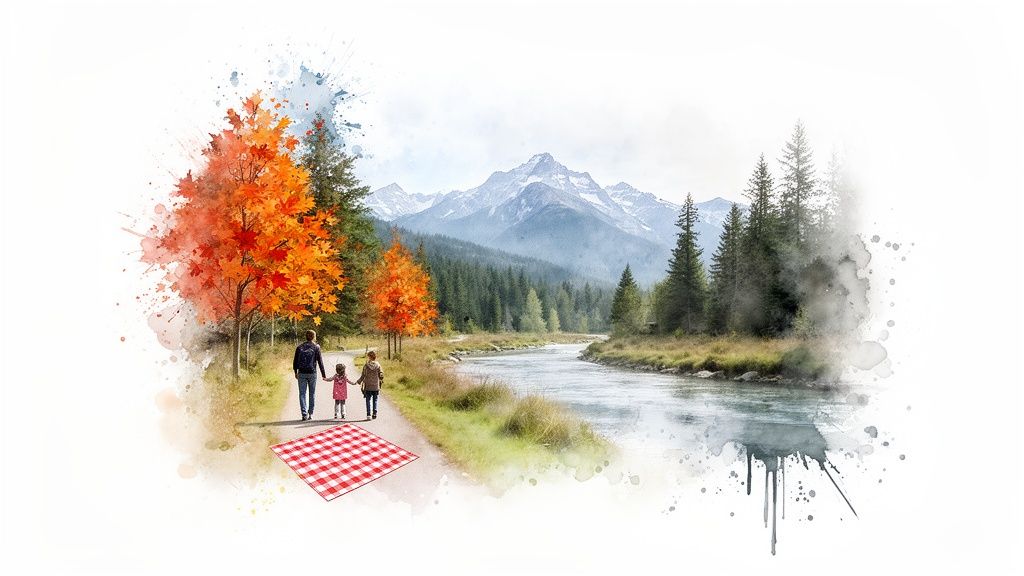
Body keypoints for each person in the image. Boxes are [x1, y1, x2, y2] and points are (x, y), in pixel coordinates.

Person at [293, 329, 326, 421]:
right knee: (312, 393)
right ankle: (310, 413)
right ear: (314, 337)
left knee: (302, 394)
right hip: (312, 373)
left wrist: (295, 372)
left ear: (306, 336)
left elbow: (295, 361)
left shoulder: (299, 347)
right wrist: (323, 374)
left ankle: (304, 414)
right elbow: (320, 362)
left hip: (302, 373)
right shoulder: (316, 347)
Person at [355, 350, 384, 420]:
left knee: (368, 400)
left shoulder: (366, 366)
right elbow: (381, 375)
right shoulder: (378, 365)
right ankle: (374, 413)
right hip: (376, 386)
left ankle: (368, 414)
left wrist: (358, 382)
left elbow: (363, 375)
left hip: (368, 386)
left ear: (370, 357)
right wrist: (380, 379)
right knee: (375, 400)